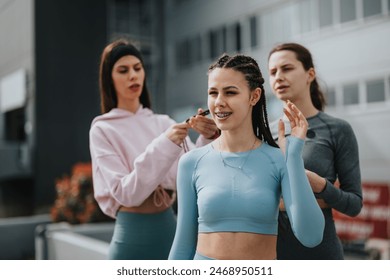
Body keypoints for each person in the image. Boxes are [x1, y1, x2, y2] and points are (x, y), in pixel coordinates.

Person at [168, 53, 325, 260]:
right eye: (213, 93)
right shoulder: (191, 162)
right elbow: (183, 244)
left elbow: (311, 236)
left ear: (254, 96)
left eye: (230, 92)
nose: (219, 102)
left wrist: (294, 157)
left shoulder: (279, 160)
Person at [89, 38, 219, 260]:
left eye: (137, 68)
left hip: (172, 231)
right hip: (131, 238)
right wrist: (165, 143)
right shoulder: (102, 129)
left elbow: (192, 177)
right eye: (123, 70)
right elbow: (126, 193)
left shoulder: (163, 122)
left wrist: (208, 138)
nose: (133, 75)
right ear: (109, 78)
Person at [267, 42, 363, 260]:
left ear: (310, 74)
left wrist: (320, 185)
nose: (278, 77)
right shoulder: (264, 132)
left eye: (287, 68)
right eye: (273, 72)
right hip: (270, 254)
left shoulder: (337, 129)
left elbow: (354, 204)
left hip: (319, 255)